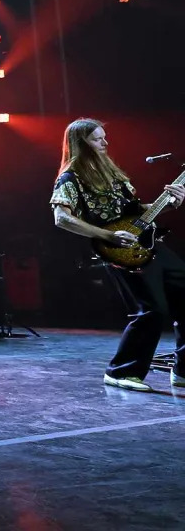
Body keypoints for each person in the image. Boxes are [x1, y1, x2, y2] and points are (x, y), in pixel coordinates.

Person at [50, 118, 185, 391]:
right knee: (151, 310)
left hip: (149, 241)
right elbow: (61, 218)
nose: (105, 143)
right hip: (119, 250)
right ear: (81, 144)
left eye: (104, 137)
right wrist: (107, 235)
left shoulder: (114, 174)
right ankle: (121, 372)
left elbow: (137, 212)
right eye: (97, 139)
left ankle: (182, 372)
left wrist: (171, 203)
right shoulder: (70, 178)